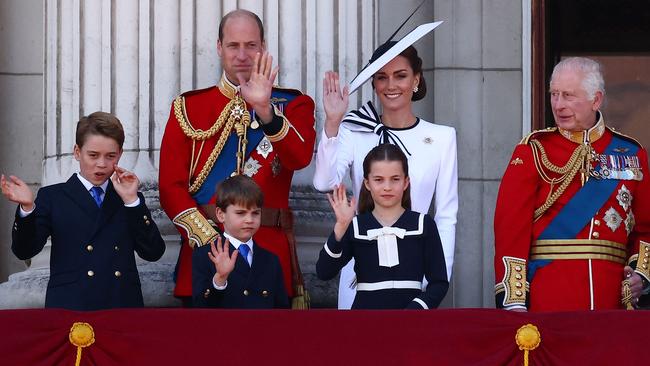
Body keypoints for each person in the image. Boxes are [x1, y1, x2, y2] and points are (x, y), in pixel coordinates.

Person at [159, 9, 315, 307]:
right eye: (233, 45)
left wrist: (267, 111)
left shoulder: (294, 105)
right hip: (205, 254)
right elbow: (170, 188)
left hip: (268, 255)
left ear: (263, 46)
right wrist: (210, 242)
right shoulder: (189, 107)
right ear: (219, 47)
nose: (242, 54)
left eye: (251, 45)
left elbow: (299, 157)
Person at [494, 57, 650, 311]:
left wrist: (639, 277)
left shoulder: (630, 153)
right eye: (554, 94)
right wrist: (514, 300)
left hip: (610, 297)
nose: (558, 105)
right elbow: (510, 228)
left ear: (596, 100)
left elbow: (646, 228)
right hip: (549, 293)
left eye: (568, 95)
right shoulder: (533, 150)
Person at [313, 43, 457, 309]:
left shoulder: (442, 137)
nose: (391, 85)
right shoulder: (354, 129)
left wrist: (434, 284)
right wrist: (332, 122)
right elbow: (324, 182)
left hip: (415, 279)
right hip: (360, 274)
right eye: (381, 77)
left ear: (416, 79)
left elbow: (446, 216)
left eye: (400, 75)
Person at [1, 112, 166, 310]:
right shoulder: (53, 197)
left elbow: (153, 252)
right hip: (71, 306)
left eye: (110, 156)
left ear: (120, 154)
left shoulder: (128, 197)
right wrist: (28, 208)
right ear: (77, 152)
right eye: (93, 155)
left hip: (121, 305)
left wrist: (132, 202)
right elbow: (24, 250)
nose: (101, 164)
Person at [316, 144, 448, 309]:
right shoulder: (355, 226)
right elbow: (324, 272)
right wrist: (341, 226)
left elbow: (439, 283)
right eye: (379, 180)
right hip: (365, 325)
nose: (387, 187)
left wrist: (416, 309)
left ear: (406, 182)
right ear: (367, 183)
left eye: (395, 179)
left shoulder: (423, 224)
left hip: (411, 326)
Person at [192, 175, 288, 308]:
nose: (249, 219)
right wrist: (220, 278)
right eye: (240, 213)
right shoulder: (206, 255)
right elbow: (200, 309)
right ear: (221, 214)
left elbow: (281, 312)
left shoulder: (271, 260)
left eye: (255, 213)